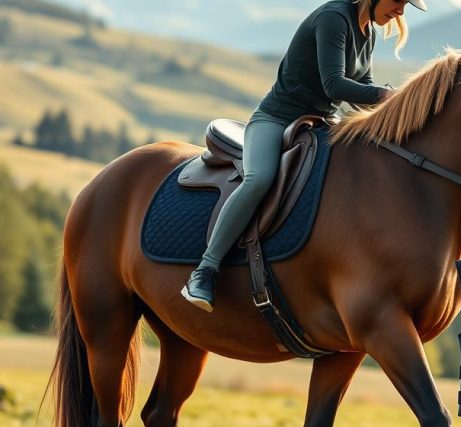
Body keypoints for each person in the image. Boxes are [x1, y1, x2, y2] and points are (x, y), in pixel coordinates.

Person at [181, 0, 425, 312]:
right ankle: (204, 270)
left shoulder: (369, 33)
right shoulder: (333, 18)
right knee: (258, 180)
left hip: (318, 126)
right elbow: (334, 85)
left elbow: (362, 91)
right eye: (398, 1)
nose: (401, 11)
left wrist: (398, 117)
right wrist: (390, 95)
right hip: (277, 120)